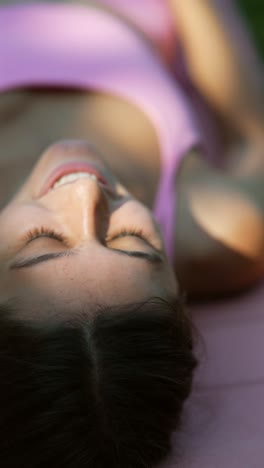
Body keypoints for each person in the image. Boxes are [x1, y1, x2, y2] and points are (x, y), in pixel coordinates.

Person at [0, 1, 263, 467]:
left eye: (42, 241)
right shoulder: (217, 229)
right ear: (181, 299)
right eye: (132, 241)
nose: (85, 194)